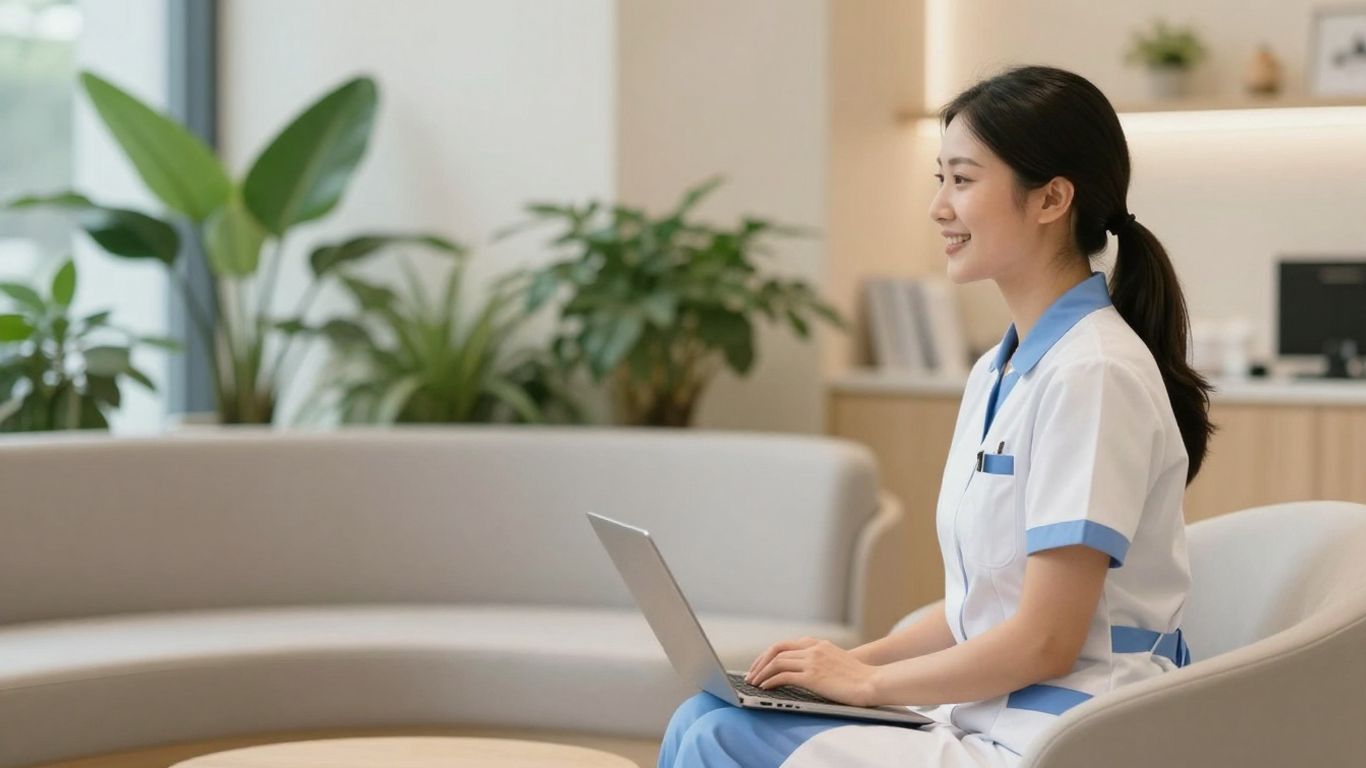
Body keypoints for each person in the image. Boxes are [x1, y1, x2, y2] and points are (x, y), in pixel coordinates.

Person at [656, 64, 1215, 767]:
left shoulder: (1093, 373)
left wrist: (868, 683)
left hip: (1068, 734)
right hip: (983, 714)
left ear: (1051, 199)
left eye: (962, 179)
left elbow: (1046, 640)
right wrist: (837, 667)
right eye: (940, 178)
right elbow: (974, 613)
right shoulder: (996, 371)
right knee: (708, 710)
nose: (938, 207)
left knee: (717, 736)